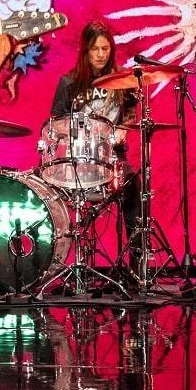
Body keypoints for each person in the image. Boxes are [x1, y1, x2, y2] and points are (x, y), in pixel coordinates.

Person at [46, 20, 143, 254]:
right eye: (94, 49)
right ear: (85, 50)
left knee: (134, 186)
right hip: (77, 158)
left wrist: (123, 129)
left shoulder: (123, 82)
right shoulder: (69, 83)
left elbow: (129, 115)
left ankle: (136, 262)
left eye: (105, 49)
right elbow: (55, 124)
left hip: (112, 159)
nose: (100, 55)